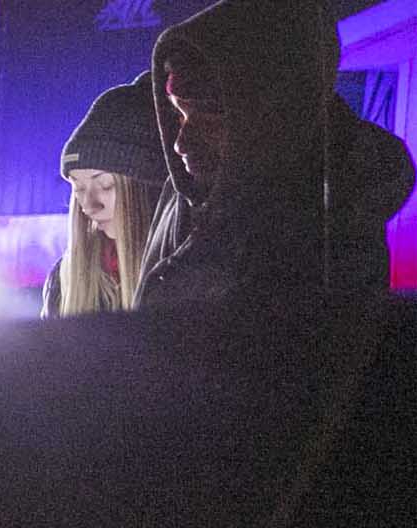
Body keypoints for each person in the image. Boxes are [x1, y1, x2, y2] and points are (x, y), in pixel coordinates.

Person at [135, 0, 414, 310]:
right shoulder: (183, 199)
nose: (180, 144)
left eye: (211, 116)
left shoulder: (331, 239)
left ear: (274, 114)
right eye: (179, 116)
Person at [42, 75, 166, 317]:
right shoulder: (64, 279)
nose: (88, 205)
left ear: (147, 186)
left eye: (105, 185)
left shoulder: (182, 273)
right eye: (78, 188)